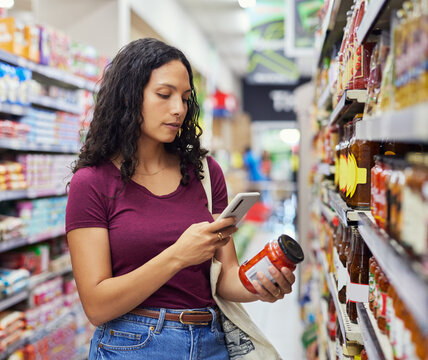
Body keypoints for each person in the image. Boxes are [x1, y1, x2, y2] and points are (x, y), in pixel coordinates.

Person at [65, 38, 296, 360]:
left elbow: (225, 276)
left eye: (186, 98)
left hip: (211, 342)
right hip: (132, 346)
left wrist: (260, 285)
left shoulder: (203, 172)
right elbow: (96, 305)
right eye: (164, 94)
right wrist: (178, 255)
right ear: (128, 97)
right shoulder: (92, 183)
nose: (178, 109)